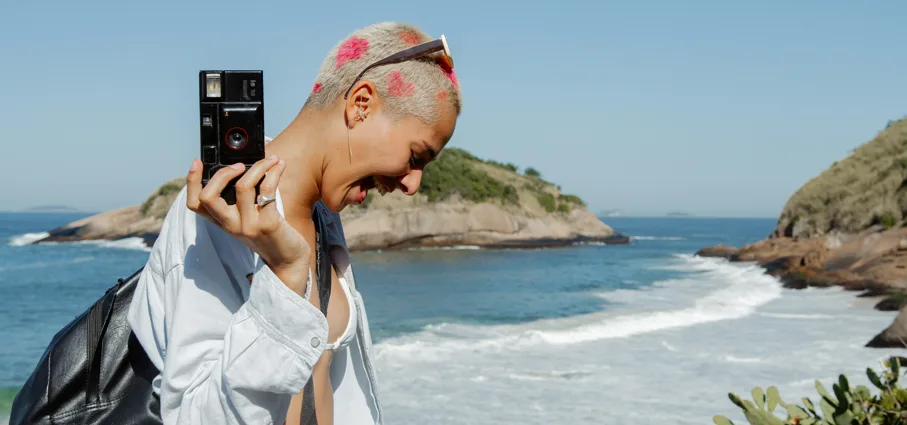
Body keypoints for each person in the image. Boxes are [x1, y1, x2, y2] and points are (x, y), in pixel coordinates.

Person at [126, 21, 462, 425]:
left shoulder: (325, 216)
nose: (412, 184)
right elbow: (195, 415)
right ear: (361, 104)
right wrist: (286, 273)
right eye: (416, 156)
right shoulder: (221, 213)